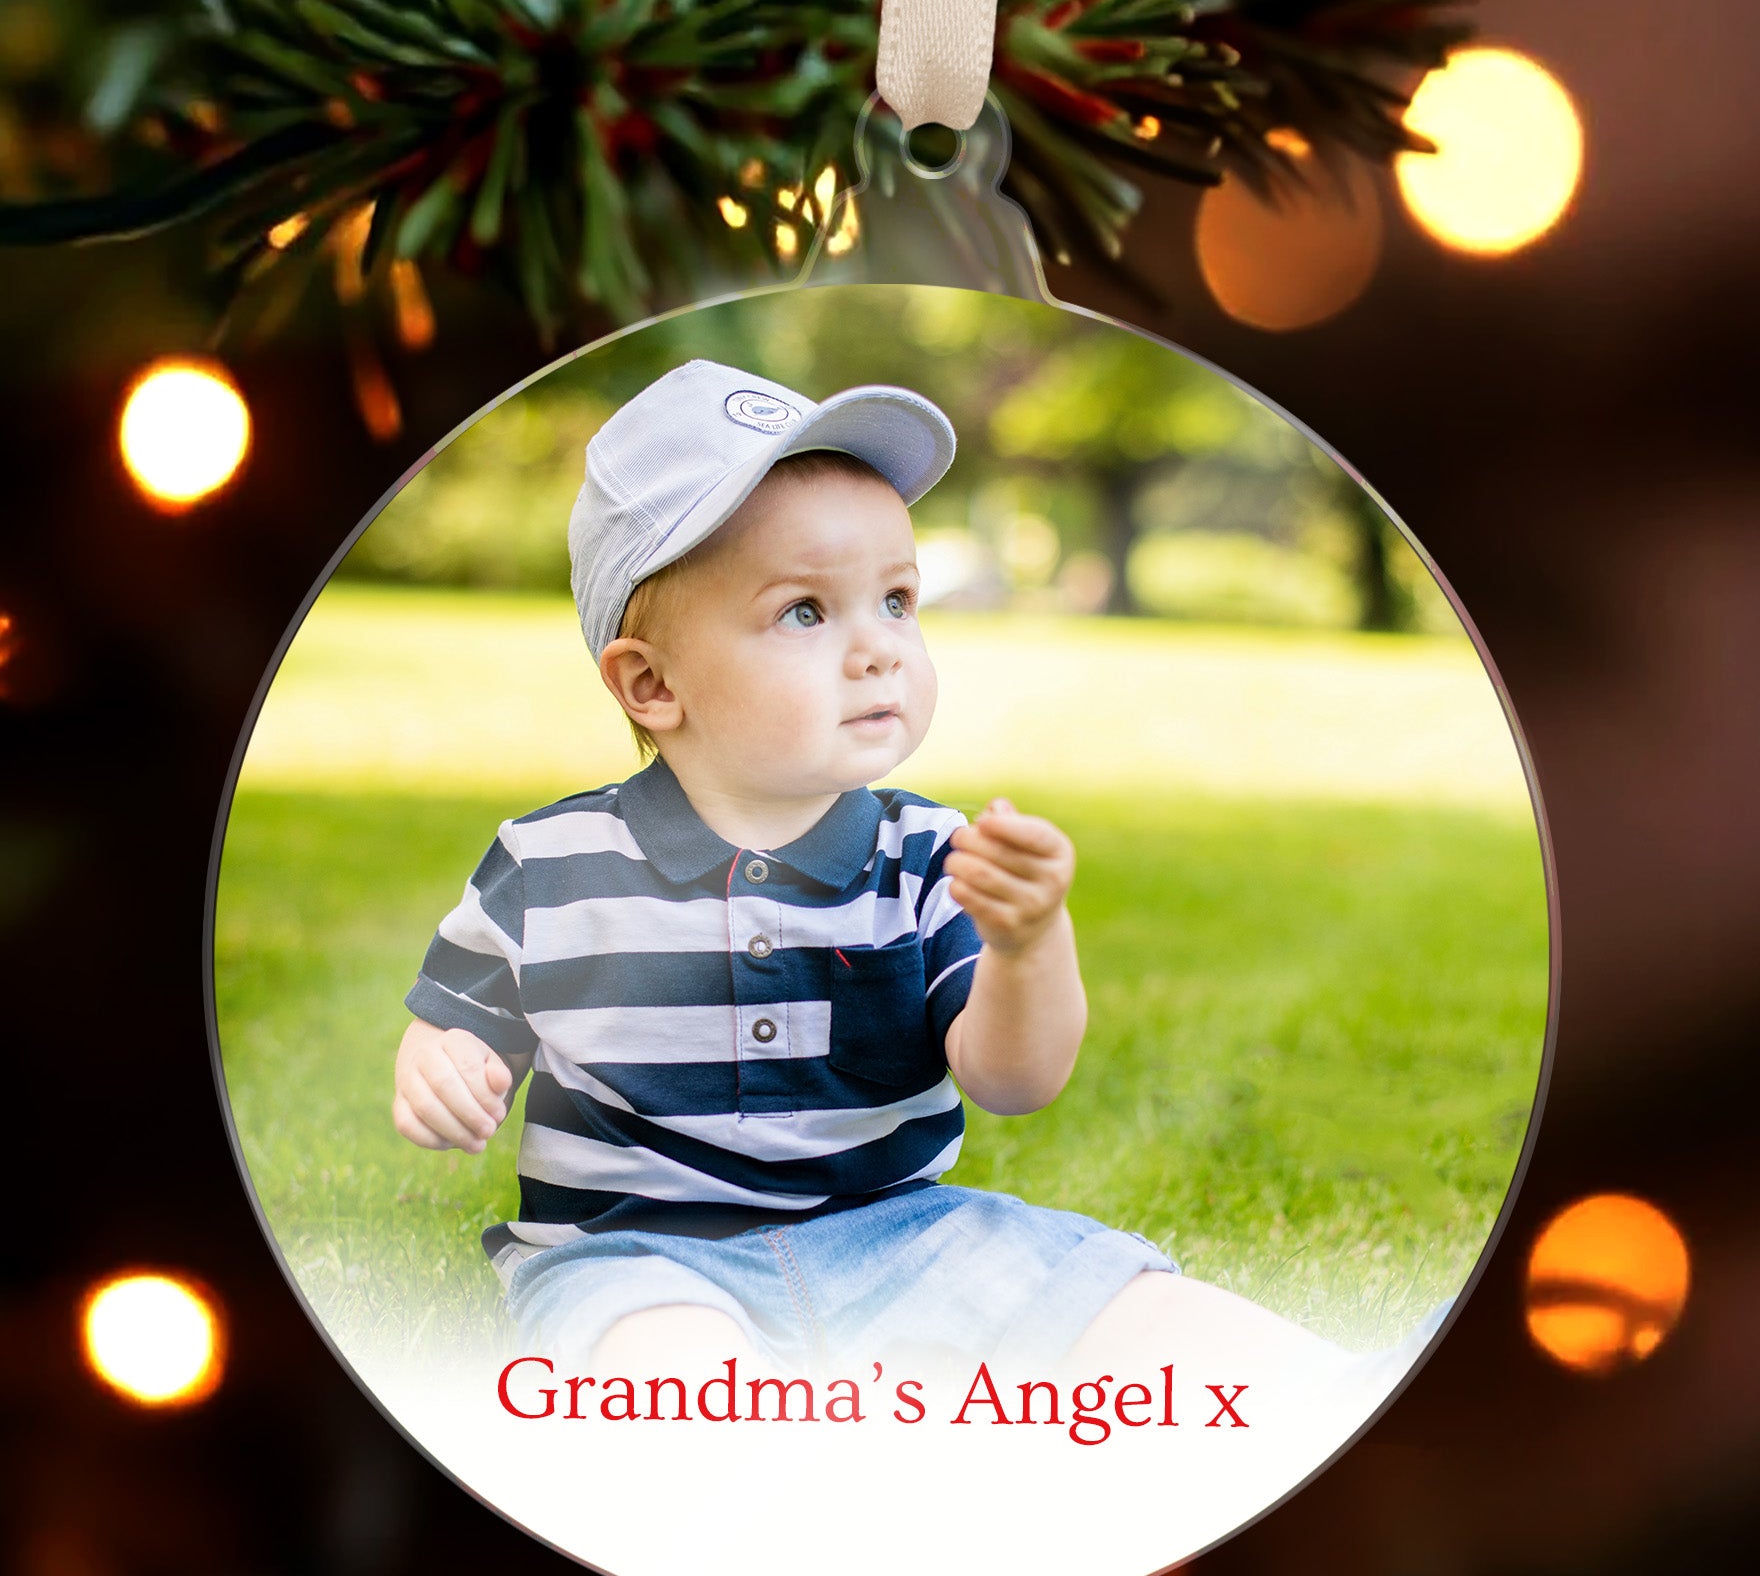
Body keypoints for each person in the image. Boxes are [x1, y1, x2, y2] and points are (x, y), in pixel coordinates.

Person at [391, 358, 1441, 1406]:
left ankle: (1347, 1403)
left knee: (1107, 1295)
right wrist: (445, 1062)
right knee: (669, 1369)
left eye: (896, 601)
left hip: (901, 1236)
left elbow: (1013, 1080)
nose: (877, 651)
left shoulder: (930, 856)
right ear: (652, 682)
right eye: (805, 613)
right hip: (639, 1255)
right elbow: (458, 1022)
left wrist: (1026, 948)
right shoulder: (550, 863)